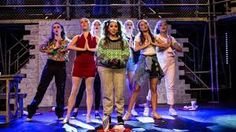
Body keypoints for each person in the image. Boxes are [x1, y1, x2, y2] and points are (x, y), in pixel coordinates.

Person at [26, 22, 69, 121]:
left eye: (58, 27)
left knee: (60, 90)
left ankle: (60, 114)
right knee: (41, 88)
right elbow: (42, 49)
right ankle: (31, 112)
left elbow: (63, 52)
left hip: (61, 66)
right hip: (50, 65)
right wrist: (55, 47)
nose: (56, 29)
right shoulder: (49, 40)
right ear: (52, 30)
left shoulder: (66, 41)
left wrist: (56, 47)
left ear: (61, 29)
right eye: (54, 27)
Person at [123, 19, 164, 121]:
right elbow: (136, 49)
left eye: (145, 23)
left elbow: (164, 45)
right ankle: (128, 113)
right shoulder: (138, 37)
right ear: (139, 28)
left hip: (154, 59)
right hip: (144, 60)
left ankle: (154, 112)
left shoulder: (154, 36)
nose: (144, 25)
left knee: (154, 88)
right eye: (141, 24)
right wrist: (147, 44)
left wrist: (155, 44)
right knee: (136, 88)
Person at [96, 19, 130, 131]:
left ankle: (120, 117)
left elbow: (126, 54)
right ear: (107, 28)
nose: (114, 28)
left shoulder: (123, 41)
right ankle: (107, 117)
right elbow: (100, 53)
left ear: (119, 28)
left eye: (116, 26)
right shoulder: (103, 40)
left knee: (120, 93)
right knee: (107, 93)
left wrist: (118, 61)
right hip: (105, 68)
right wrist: (110, 60)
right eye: (111, 26)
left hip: (119, 69)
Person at [144, 19, 182, 116]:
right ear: (158, 27)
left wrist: (171, 44)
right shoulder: (156, 37)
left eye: (165, 25)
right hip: (160, 62)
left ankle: (171, 107)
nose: (163, 26)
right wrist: (169, 44)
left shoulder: (171, 37)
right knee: (154, 85)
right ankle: (147, 106)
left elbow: (179, 48)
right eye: (161, 25)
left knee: (170, 85)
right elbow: (160, 48)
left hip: (171, 62)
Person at [63, 18, 97, 123]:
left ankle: (88, 115)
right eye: (81, 22)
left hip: (90, 64)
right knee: (74, 90)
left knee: (89, 90)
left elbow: (100, 49)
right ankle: (68, 115)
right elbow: (69, 46)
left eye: (85, 22)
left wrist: (89, 49)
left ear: (89, 24)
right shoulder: (77, 37)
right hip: (79, 64)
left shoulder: (95, 37)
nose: (84, 24)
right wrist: (82, 49)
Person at [71, 19, 102, 119]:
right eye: (95, 24)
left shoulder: (100, 38)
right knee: (81, 88)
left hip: (97, 65)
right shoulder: (86, 36)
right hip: (87, 64)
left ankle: (96, 111)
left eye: (98, 24)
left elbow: (102, 51)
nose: (97, 26)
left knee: (96, 89)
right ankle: (75, 109)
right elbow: (70, 46)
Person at [124, 20, 140, 117]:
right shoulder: (122, 36)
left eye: (130, 24)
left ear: (133, 27)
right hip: (123, 61)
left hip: (131, 61)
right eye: (127, 24)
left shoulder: (135, 38)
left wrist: (132, 47)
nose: (129, 26)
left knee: (132, 84)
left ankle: (132, 108)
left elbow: (137, 50)